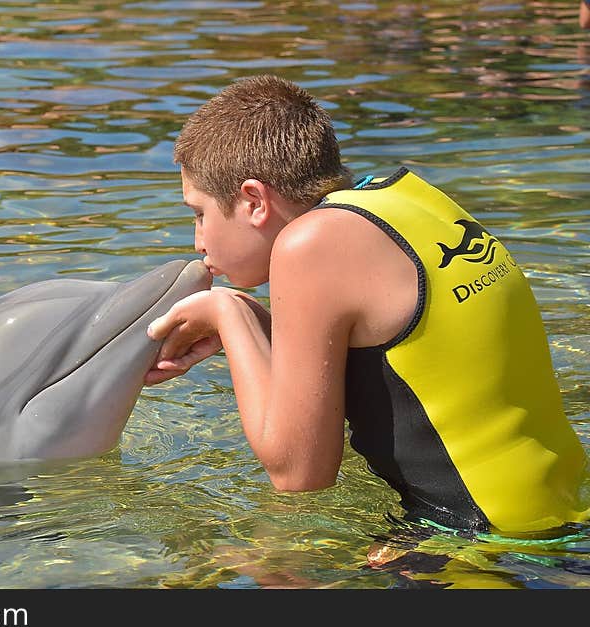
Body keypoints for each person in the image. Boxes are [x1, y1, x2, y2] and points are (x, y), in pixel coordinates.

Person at [143, 75, 589, 538]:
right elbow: (403, 358)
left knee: (265, 572)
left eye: (200, 214)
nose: (197, 240)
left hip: (491, 542)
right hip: (564, 501)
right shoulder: (402, 198)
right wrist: (255, 324)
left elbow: (298, 475)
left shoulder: (308, 245)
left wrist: (229, 314)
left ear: (254, 200)